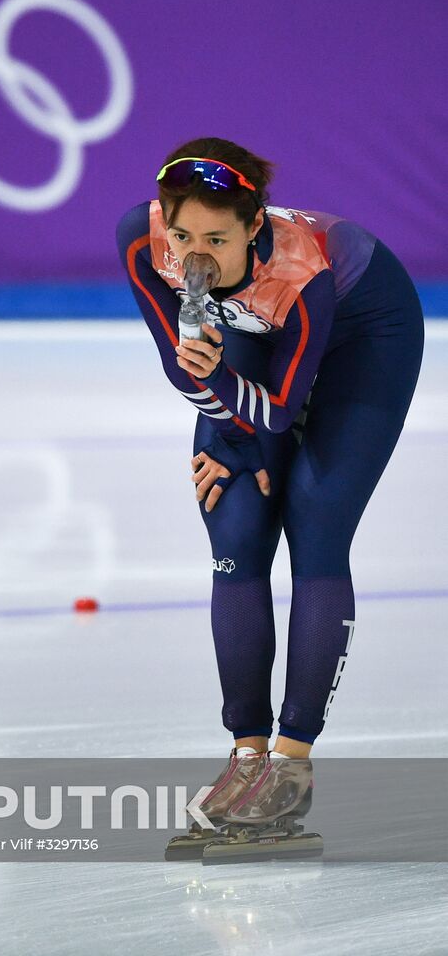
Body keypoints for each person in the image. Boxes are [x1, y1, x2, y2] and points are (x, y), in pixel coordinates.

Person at [116, 136, 424, 834]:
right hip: (254, 330)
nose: (194, 255)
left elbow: (281, 411)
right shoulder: (141, 239)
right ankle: (246, 753)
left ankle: (290, 764)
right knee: (236, 525)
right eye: (183, 233)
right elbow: (179, 364)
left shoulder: (303, 268)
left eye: (217, 239)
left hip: (359, 335)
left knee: (314, 522)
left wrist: (246, 424)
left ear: (254, 226)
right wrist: (232, 437)